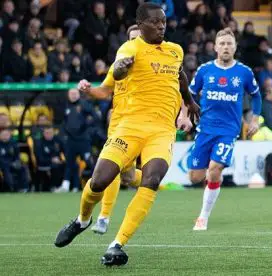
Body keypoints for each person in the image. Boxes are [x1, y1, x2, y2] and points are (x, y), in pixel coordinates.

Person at [53, 3, 200, 267]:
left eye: (163, 22)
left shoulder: (175, 50)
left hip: (162, 130)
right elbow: (115, 76)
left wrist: (189, 102)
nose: (161, 26)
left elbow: (180, 76)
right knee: (99, 181)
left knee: (152, 179)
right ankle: (82, 220)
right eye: (155, 22)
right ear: (141, 25)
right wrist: (120, 68)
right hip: (129, 127)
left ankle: (116, 244)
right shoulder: (130, 48)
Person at [77, 25, 151, 235]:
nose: (135, 44)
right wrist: (89, 89)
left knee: (115, 168)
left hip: (137, 126)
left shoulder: (151, 69)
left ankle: (103, 217)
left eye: (140, 39)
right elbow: (104, 91)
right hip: (117, 124)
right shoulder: (119, 65)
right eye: (132, 40)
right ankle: (150, 181)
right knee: (127, 176)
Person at [187, 28, 261, 231]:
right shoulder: (204, 70)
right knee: (195, 177)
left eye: (230, 43)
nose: (226, 47)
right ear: (215, 47)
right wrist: (185, 116)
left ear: (235, 47)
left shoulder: (244, 72)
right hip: (205, 129)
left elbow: (256, 95)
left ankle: (203, 217)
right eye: (223, 44)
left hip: (229, 130)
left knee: (214, 169)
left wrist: (254, 120)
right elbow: (189, 95)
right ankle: (212, 185)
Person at [54, 88, 96, 193]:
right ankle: (66, 186)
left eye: (75, 93)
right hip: (71, 140)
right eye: (71, 94)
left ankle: (99, 183)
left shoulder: (84, 104)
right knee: (69, 163)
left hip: (83, 140)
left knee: (89, 161)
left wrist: (86, 127)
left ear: (79, 94)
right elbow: (63, 122)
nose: (73, 95)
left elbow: (94, 117)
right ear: (68, 95)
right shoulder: (66, 106)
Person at [33, 126, 64, 192]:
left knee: (69, 165)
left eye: (51, 133)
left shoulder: (57, 141)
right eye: (47, 133)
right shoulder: (39, 143)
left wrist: (61, 160)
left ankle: (68, 186)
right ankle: (54, 187)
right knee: (55, 167)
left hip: (57, 163)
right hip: (43, 164)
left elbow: (65, 151)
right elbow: (40, 159)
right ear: (43, 133)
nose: (49, 135)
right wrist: (52, 160)